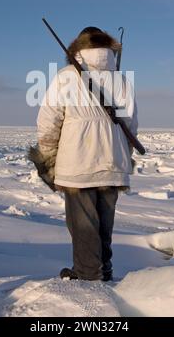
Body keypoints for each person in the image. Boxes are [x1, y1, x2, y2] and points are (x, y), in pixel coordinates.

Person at [36, 26, 138, 281]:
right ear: (107, 48)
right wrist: (124, 156)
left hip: (77, 162)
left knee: (83, 226)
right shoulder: (121, 80)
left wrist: (48, 159)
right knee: (104, 225)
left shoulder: (66, 76)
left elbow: (48, 121)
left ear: (78, 49)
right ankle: (104, 270)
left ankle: (88, 276)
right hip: (113, 162)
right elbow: (131, 125)